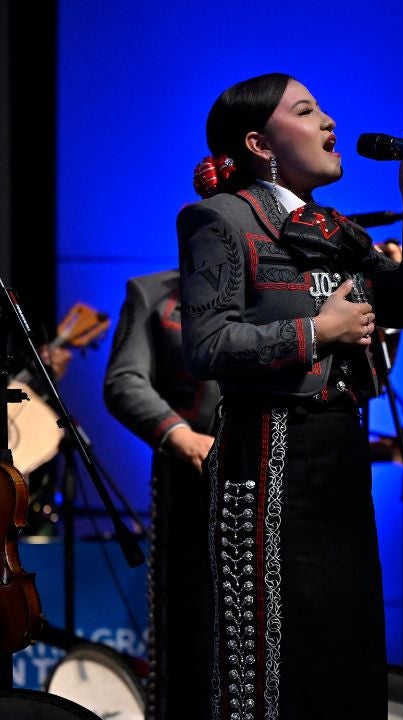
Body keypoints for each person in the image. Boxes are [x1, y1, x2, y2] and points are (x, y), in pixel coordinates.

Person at [178, 72, 403, 720]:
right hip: (267, 455)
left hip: (338, 457)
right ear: (260, 142)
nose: (330, 122)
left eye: (324, 109)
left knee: (345, 644)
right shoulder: (220, 218)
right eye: (307, 111)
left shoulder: (337, 230)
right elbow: (207, 346)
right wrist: (317, 331)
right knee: (273, 653)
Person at [102, 269, 222, 720]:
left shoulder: (288, 282)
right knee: (190, 629)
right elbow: (124, 380)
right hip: (191, 478)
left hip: (277, 474)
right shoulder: (152, 293)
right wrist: (178, 434)